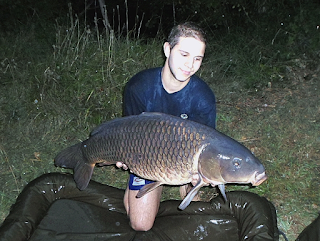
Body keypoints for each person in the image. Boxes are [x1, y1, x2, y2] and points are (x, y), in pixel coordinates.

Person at [116, 22, 216, 231]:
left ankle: (185, 184)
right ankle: (137, 188)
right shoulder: (139, 87)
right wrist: (125, 157)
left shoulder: (203, 97)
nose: (190, 65)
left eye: (198, 59)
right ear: (167, 49)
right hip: (146, 156)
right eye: (184, 54)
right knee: (141, 224)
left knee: (197, 208)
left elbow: (206, 144)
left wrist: (206, 172)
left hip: (184, 157)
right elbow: (127, 133)